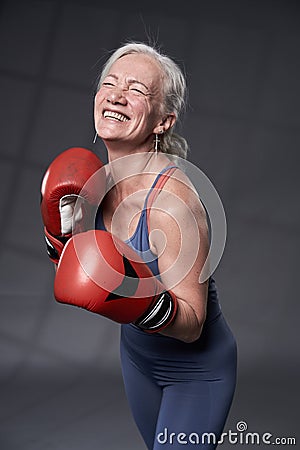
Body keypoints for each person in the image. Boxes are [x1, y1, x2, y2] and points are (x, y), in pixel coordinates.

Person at [41, 42, 237, 449]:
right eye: (109, 84)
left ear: (163, 121)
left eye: (136, 90)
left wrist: (137, 303)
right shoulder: (88, 185)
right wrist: (59, 237)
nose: (115, 95)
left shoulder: (172, 202)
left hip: (195, 371)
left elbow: (192, 325)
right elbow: (77, 270)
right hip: (137, 359)